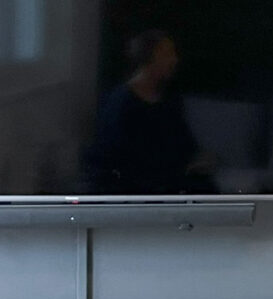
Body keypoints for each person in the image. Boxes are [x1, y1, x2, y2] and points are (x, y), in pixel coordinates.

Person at [85, 29, 214, 194]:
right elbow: (118, 162)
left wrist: (198, 160)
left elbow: (185, 144)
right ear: (147, 58)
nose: (174, 60)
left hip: (171, 184)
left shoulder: (169, 101)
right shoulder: (121, 104)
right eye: (166, 54)